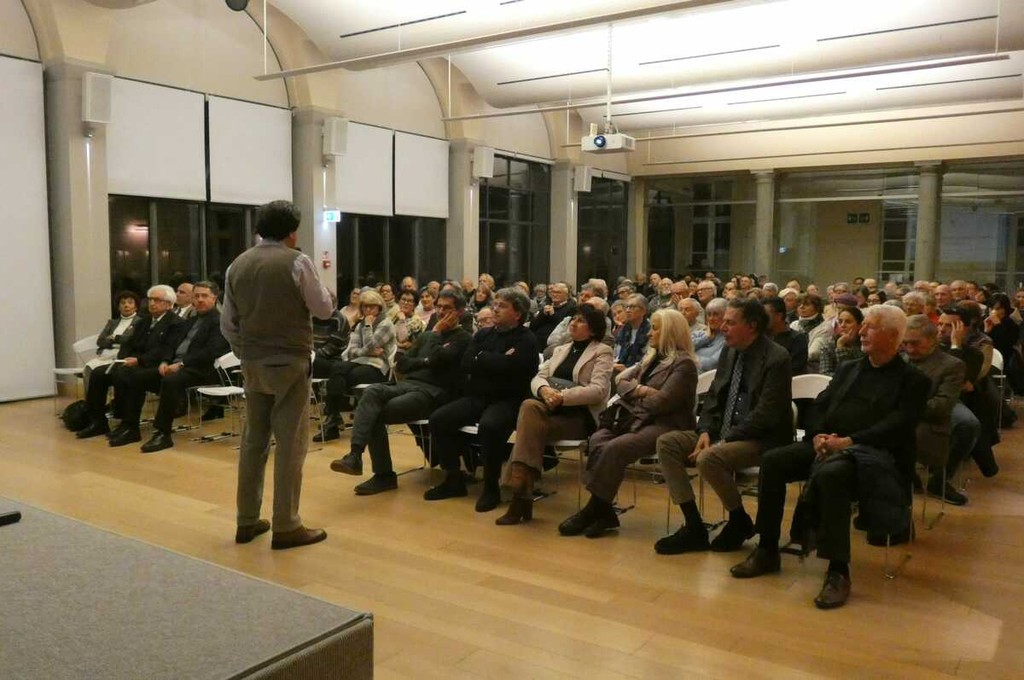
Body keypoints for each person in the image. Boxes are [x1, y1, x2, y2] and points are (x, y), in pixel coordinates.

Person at [731, 305, 930, 610]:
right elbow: (820, 405)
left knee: (832, 474)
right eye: (864, 326)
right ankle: (767, 548)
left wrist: (849, 441)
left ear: (892, 336)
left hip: (874, 456)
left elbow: (897, 426)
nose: (862, 332)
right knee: (773, 460)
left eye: (871, 327)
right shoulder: (850, 368)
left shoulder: (913, 380)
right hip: (830, 445)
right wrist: (818, 435)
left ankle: (838, 570)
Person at [222, 200, 334, 551]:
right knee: (291, 443)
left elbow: (228, 324)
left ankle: (246, 520)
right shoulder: (297, 262)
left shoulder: (237, 265)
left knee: (253, 440)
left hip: (252, 362)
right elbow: (323, 309)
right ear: (292, 232)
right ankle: (286, 525)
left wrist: (245, 350)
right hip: (289, 362)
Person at [655, 299, 793, 554]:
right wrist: (705, 430)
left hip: (761, 438)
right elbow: (714, 396)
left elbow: (766, 414)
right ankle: (694, 525)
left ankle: (738, 519)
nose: (722, 327)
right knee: (668, 443)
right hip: (722, 432)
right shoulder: (730, 351)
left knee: (709, 458)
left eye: (730, 322)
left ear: (752, 326)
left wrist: (724, 440)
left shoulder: (777, 357)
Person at [559, 309, 698, 538]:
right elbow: (620, 381)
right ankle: (603, 511)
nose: (649, 333)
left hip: (667, 424)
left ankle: (595, 509)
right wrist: (642, 390)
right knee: (598, 439)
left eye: (655, 328)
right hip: (639, 418)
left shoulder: (684, 365)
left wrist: (635, 394)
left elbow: (662, 403)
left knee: (616, 447)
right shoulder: (652, 357)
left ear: (670, 332)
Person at [329, 290, 472, 494]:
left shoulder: (463, 338)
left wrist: (435, 336)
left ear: (459, 311)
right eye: (439, 306)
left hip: (433, 392)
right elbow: (402, 363)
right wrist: (426, 361)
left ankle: (383, 475)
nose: (440, 311)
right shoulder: (426, 337)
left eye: (447, 308)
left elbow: (440, 358)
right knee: (371, 392)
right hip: (408, 384)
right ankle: (354, 455)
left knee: (374, 413)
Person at [497, 306, 614, 525]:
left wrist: (562, 396)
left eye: (581, 321)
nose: (573, 323)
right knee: (530, 406)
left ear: (593, 330)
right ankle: (521, 494)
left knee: (529, 426)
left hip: (578, 418)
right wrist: (544, 390)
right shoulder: (561, 349)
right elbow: (538, 377)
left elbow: (598, 390)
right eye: (573, 319)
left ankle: (520, 495)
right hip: (549, 411)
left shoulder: (602, 352)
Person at [425, 288, 540, 511]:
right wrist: (497, 361)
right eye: (495, 304)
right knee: (439, 419)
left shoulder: (527, 339)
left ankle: (491, 488)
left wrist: (484, 359)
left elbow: (516, 370)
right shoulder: (483, 334)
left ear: (518, 313)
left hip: (509, 400)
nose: (495, 309)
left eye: (502, 306)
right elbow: (467, 363)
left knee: (490, 426)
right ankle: (454, 478)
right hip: (478, 396)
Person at [117, 281, 229, 452]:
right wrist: (165, 361)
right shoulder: (190, 321)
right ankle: (130, 427)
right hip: (176, 366)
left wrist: (182, 363)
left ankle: (163, 433)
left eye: (204, 296)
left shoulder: (220, 322)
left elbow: (211, 351)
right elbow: (171, 345)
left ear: (214, 298)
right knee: (137, 376)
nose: (200, 300)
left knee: (171, 381)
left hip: (201, 369)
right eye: (197, 296)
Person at [75, 285, 185, 440]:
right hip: (134, 363)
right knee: (99, 373)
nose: (152, 303)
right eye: (150, 299)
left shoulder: (176, 323)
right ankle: (98, 421)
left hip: (157, 365)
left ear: (168, 304)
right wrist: (123, 358)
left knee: (129, 376)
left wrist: (139, 360)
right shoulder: (144, 321)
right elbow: (129, 344)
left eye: (157, 300)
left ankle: (130, 426)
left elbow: (167, 349)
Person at [314, 289, 397, 442]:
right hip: (359, 362)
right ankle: (333, 417)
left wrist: (368, 327)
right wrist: (366, 351)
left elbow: (371, 344)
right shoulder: (360, 325)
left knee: (343, 376)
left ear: (379, 307)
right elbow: (351, 351)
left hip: (378, 367)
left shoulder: (386, 324)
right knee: (337, 368)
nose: (368, 310)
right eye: (365, 306)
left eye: (372, 306)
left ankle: (332, 421)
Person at [902, 315, 967, 505]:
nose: (909, 349)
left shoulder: (952, 365)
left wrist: (900, 407)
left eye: (915, 343)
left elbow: (941, 406)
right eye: (905, 343)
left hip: (929, 426)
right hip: (899, 421)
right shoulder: (901, 359)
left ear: (932, 340)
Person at [763, 296, 807, 375]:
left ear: (779, 316)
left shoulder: (797, 339)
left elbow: (794, 370)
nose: (761, 319)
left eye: (765, 315)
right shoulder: (760, 337)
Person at [817, 306, 864, 376]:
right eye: (840, 321)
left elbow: (857, 372)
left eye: (848, 322)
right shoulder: (828, 346)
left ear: (859, 325)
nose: (842, 325)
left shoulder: (864, 344)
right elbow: (825, 374)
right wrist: (840, 346)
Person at [613, 294, 650, 371]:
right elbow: (616, 355)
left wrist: (626, 370)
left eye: (632, 307)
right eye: (627, 307)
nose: (628, 310)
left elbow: (647, 360)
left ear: (643, 311)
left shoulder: (650, 331)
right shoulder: (622, 331)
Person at [692, 298, 727, 371]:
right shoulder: (699, 334)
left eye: (716, 314)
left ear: (725, 316)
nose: (711, 318)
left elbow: (711, 364)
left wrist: (688, 357)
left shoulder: (727, 340)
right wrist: (706, 338)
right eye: (709, 314)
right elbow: (684, 348)